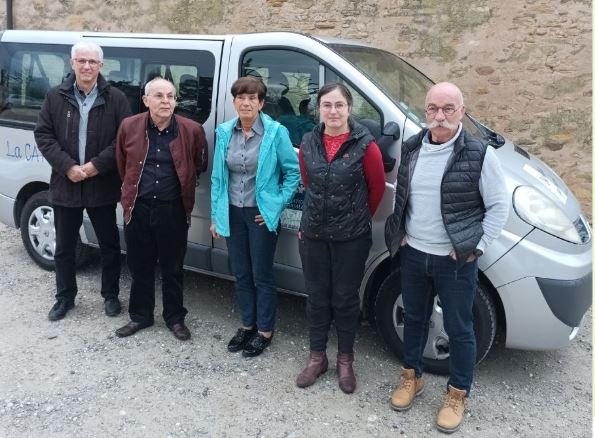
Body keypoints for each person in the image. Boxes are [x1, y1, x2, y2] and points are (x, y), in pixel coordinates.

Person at [384, 82, 509, 433]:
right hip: (413, 253)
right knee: (414, 319)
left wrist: (476, 247)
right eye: (433, 109)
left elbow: (499, 206)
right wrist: (401, 232)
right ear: (425, 111)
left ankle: (457, 394)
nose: (439, 116)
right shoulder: (412, 147)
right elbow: (404, 194)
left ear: (462, 112)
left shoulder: (479, 153)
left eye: (448, 109)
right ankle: (412, 377)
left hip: (455, 261)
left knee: (459, 328)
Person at [295, 83, 385, 394]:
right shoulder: (309, 142)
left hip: (351, 238)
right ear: (318, 109)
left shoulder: (366, 146)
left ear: (349, 108)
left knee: (345, 300)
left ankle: (345, 360)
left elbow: (376, 189)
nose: (333, 111)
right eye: (327, 105)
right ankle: (317, 357)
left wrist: (356, 218)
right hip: (314, 235)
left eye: (339, 105)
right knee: (316, 298)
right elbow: (308, 183)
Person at [34, 42, 131, 321]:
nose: (87, 66)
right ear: (72, 63)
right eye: (82, 60)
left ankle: (110, 296)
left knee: (109, 245)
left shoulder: (116, 99)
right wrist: (67, 167)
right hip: (66, 184)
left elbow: (123, 139)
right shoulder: (55, 96)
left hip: (102, 184)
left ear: (101, 65)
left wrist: (95, 166)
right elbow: (43, 135)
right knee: (64, 248)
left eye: (92, 61)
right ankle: (64, 298)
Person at [210, 76, 300, 358]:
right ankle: (247, 325)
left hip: (260, 215)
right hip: (232, 213)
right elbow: (217, 178)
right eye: (241, 97)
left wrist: (275, 206)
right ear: (234, 102)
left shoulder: (276, 133)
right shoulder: (224, 132)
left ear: (261, 103)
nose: (246, 103)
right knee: (240, 272)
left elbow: (293, 172)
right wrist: (216, 215)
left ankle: (265, 331)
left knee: (261, 274)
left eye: (252, 98)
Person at [114, 78, 207, 341]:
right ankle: (140, 316)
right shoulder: (129, 127)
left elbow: (198, 164)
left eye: (171, 96)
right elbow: (123, 163)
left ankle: (175, 318)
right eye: (159, 96)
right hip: (138, 207)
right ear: (146, 100)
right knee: (139, 266)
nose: (166, 101)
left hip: (173, 210)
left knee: (173, 267)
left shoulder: (192, 130)